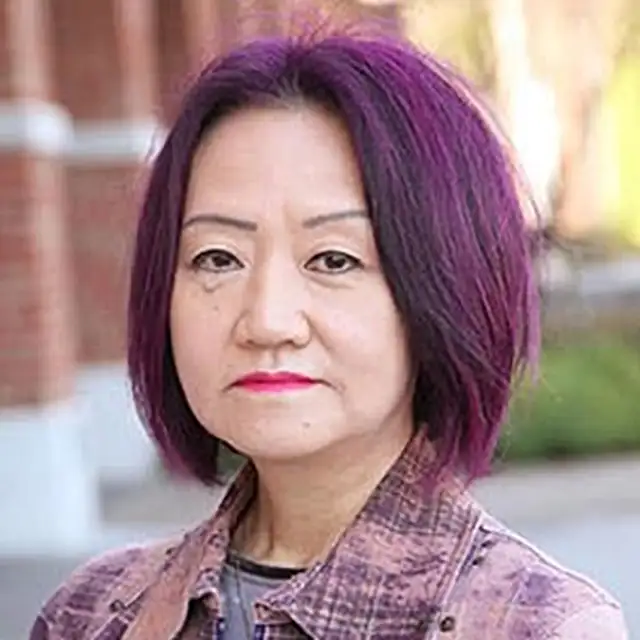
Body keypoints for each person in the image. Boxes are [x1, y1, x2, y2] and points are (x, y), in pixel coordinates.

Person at [30, 31, 628, 640]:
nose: (267, 320)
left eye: (334, 260)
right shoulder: (92, 615)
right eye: (218, 258)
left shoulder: (531, 625)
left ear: (447, 286)